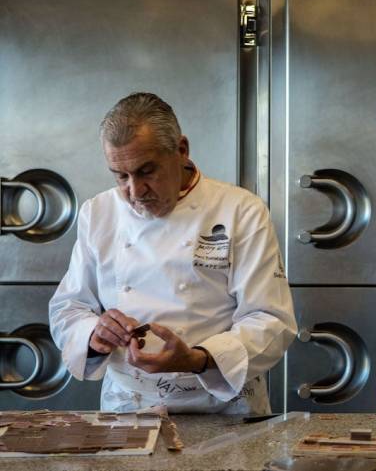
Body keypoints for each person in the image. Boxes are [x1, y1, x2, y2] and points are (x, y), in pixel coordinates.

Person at [49, 92, 297, 414]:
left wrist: (197, 359)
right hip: (129, 406)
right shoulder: (98, 212)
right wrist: (94, 333)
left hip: (224, 408)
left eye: (146, 171)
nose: (134, 192)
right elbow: (70, 307)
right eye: (121, 176)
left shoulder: (241, 211)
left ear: (181, 150)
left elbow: (272, 320)